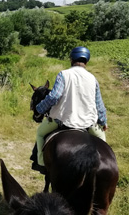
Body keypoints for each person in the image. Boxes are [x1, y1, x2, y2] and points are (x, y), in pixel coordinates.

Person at [32, 46, 108, 174]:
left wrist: (39, 108)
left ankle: (41, 163)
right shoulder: (93, 79)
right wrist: (103, 122)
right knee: (104, 144)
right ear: (86, 62)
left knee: (40, 133)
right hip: (88, 123)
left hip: (62, 120)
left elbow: (54, 97)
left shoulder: (63, 74)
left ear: (71, 60)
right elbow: (99, 105)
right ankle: (103, 170)